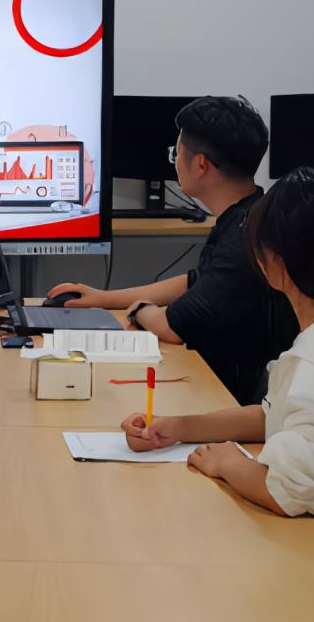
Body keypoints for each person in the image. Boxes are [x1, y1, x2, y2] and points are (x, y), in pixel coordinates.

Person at [116, 167, 314, 622]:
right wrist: (179, 427)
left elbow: (294, 490)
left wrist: (229, 464)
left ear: (274, 264)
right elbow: (280, 415)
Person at [47, 95, 295, 402]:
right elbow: (198, 281)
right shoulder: (249, 215)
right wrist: (103, 298)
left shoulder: (244, 238)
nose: (174, 161)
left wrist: (140, 310)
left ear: (200, 164)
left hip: (228, 398)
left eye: (176, 153)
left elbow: (171, 327)